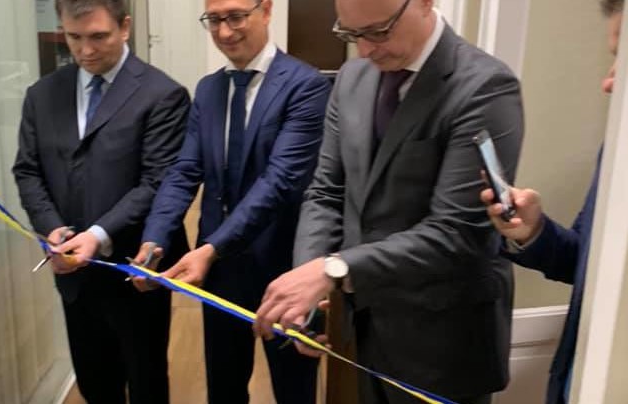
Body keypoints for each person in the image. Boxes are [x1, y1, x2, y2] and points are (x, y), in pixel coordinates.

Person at [254, 0, 525, 403]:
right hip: (357, 331)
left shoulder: (485, 87)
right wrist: (309, 298)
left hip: (442, 345)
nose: (365, 49)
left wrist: (334, 269)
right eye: (351, 33)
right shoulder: (352, 77)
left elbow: (456, 233)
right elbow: (327, 192)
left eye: (379, 31)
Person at [132, 0, 331, 402]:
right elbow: (185, 170)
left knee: (293, 389)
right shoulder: (208, 90)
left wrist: (211, 249)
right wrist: (154, 239)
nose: (224, 32)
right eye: (214, 19)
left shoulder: (306, 86)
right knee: (224, 385)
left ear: (266, 10)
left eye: (236, 16)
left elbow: (279, 181)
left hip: (282, 267)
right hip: (221, 271)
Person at [12, 0, 191, 402]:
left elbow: (157, 182)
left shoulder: (163, 94)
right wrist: (52, 228)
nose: (85, 50)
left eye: (98, 36)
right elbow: (28, 171)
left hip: (135, 268)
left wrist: (97, 235)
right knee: (94, 381)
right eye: (73, 37)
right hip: (72, 272)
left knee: (146, 380)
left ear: (124, 27)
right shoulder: (43, 94)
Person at [480, 1, 622, 403]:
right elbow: (586, 266)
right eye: (614, 59)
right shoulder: (616, 152)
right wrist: (534, 232)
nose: (609, 82)